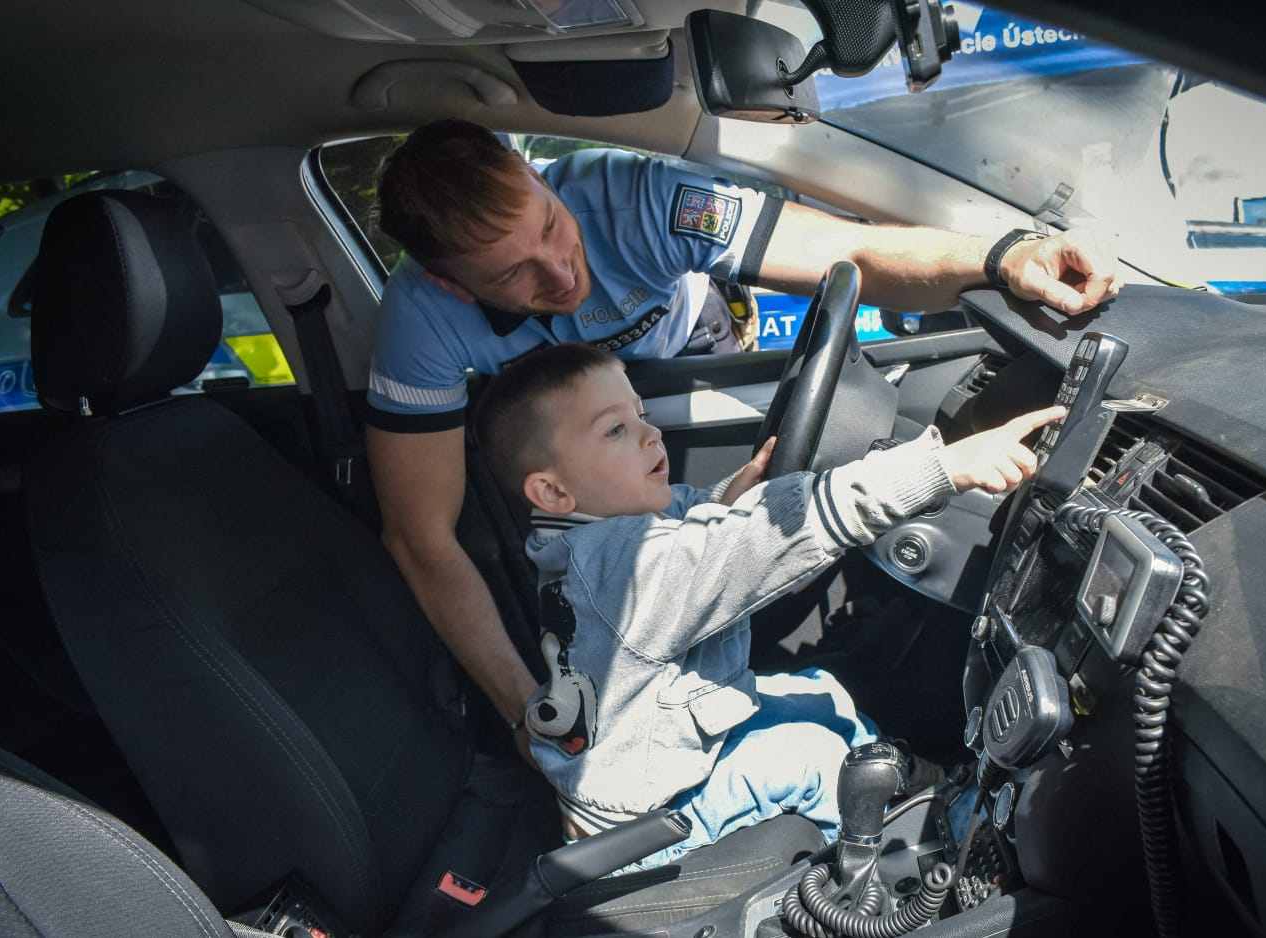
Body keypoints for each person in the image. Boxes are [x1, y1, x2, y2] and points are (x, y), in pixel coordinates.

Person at [363, 119, 1118, 755]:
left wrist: (1002, 257)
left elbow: (847, 252)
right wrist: (533, 719)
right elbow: (422, 537)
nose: (563, 274)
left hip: (691, 345)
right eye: (516, 276)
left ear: (538, 177)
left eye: (553, 227)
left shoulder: (636, 196)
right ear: (452, 286)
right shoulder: (420, 324)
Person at [472, 342, 1065, 866]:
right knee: (808, 757)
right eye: (615, 431)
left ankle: (901, 780)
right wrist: (938, 468)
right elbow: (753, 544)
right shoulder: (624, 571)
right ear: (552, 490)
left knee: (820, 688)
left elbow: (686, 519)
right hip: (647, 822)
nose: (650, 435)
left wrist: (731, 495)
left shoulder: (587, 539)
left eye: (642, 416)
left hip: (649, 754)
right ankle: (892, 863)